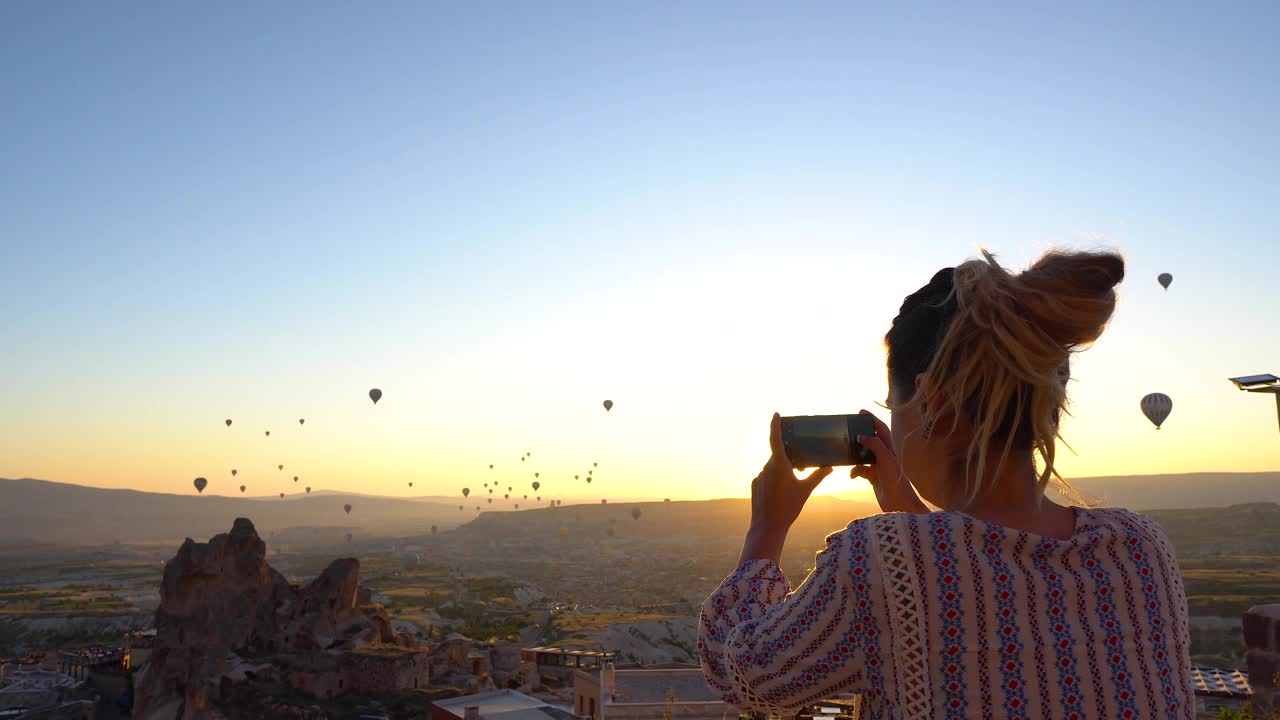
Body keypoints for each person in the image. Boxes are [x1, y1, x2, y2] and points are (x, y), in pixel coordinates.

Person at [698, 249, 1191, 719]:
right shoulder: (1141, 547)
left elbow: (745, 673)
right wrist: (902, 503)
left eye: (895, 405)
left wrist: (766, 528)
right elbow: (985, 582)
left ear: (930, 400)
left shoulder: (880, 558)